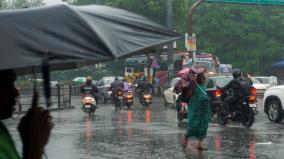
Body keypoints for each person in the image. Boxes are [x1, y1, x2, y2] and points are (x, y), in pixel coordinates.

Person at [0, 69, 53, 159]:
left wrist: (28, 144)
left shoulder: (2, 131)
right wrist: (35, 147)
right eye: (7, 85)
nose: (16, 93)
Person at [182, 72, 210, 150]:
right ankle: (185, 138)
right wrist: (191, 86)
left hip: (204, 109)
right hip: (195, 108)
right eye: (203, 78)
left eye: (204, 78)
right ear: (199, 78)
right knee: (194, 124)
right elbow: (188, 95)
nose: (204, 79)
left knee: (203, 125)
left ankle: (200, 144)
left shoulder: (203, 86)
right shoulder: (193, 85)